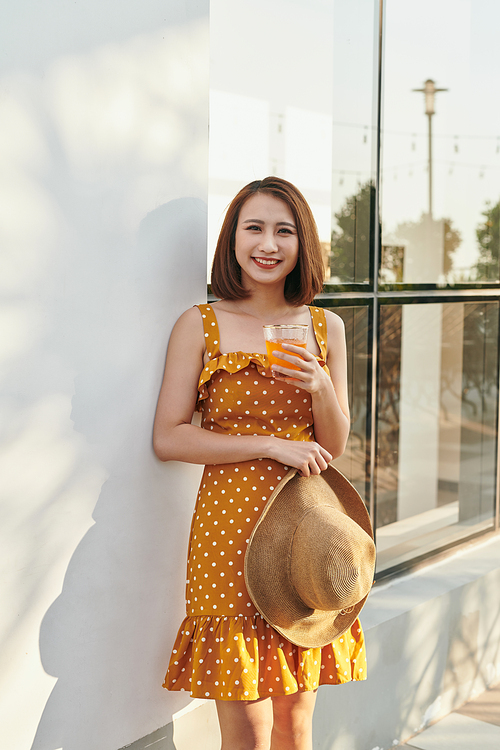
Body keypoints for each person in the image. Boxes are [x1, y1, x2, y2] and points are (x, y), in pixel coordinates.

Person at [153, 176, 367, 750]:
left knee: (296, 722)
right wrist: (270, 446)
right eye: (254, 228)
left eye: (283, 230)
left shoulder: (327, 328)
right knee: (245, 729)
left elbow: (336, 442)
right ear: (233, 239)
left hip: (305, 525)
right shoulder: (200, 323)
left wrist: (321, 384)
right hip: (228, 527)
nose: (267, 244)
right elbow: (169, 438)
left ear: (303, 243)